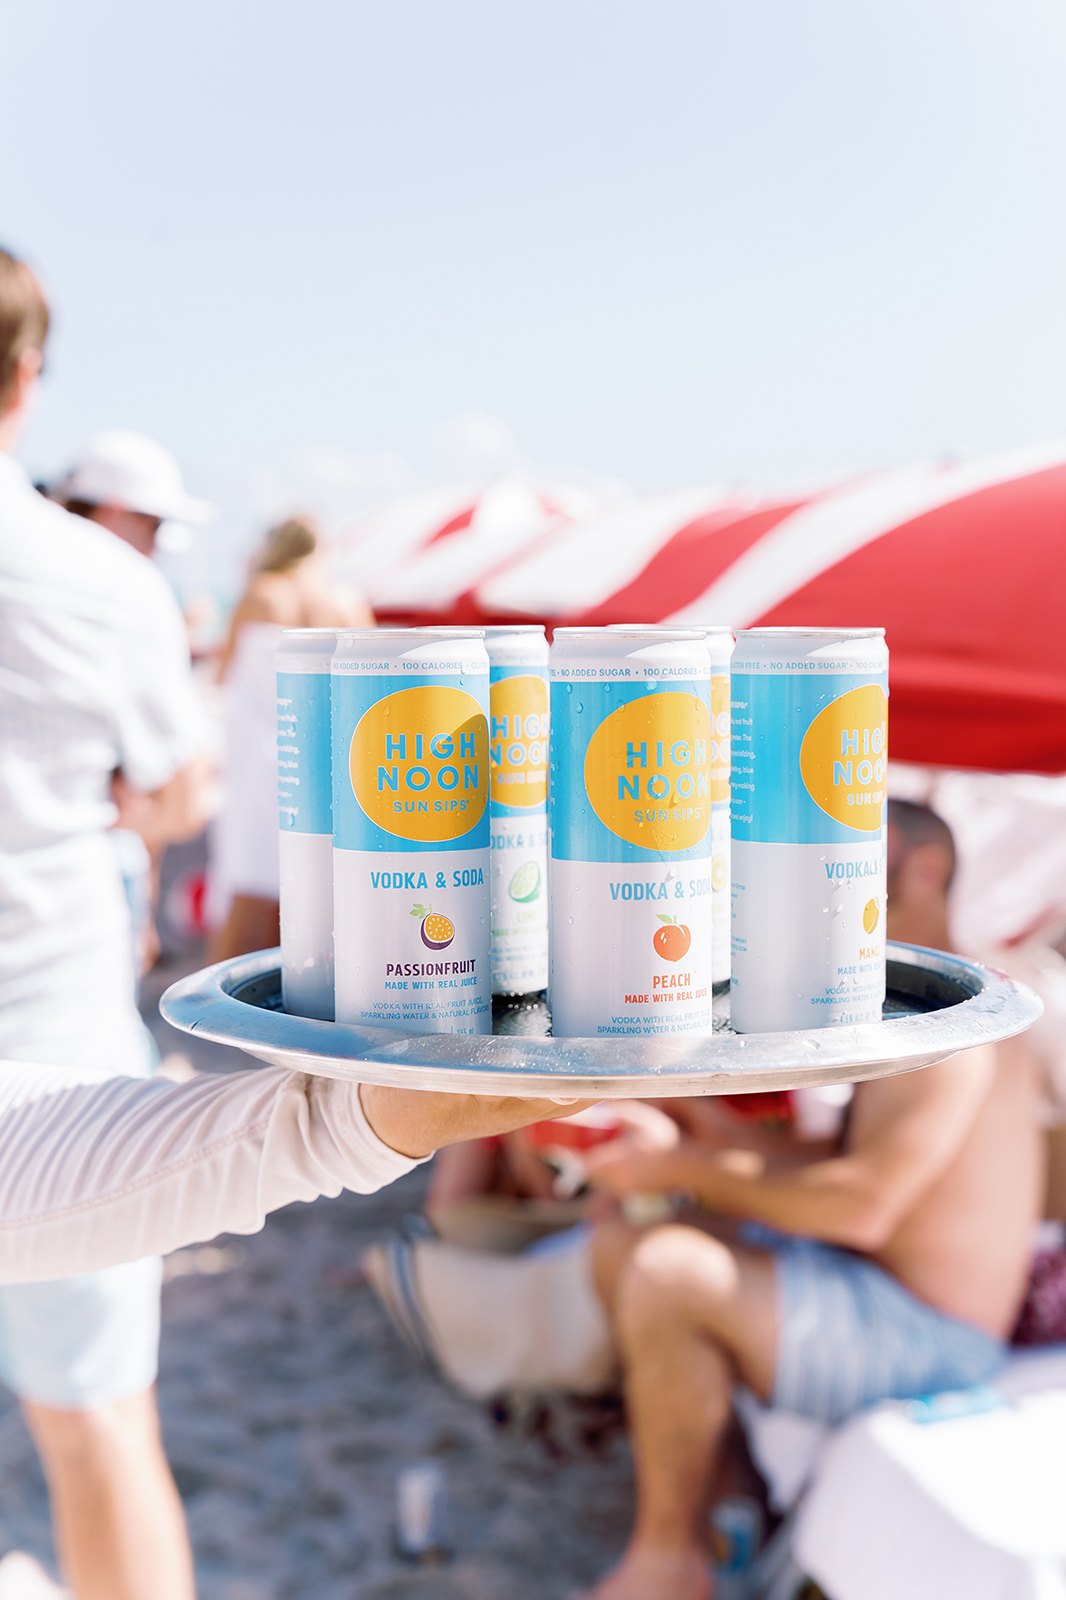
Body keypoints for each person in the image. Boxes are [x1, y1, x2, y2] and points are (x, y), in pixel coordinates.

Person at [579, 799, 1045, 1600]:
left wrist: (684, 1162)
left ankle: (667, 1567)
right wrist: (709, 1127)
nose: (830, 880)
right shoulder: (932, 1000)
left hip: (932, 1339)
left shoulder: (962, 1022)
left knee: (669, 1269)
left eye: (857, 860)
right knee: (626, 1233)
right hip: (880, 1288)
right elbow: (843, 1163)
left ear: (925, 869)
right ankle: (728, 1499)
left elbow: (861, 1205)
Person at [0, 249, 215, 1600]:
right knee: (95, 1420)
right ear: (24, 374)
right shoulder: (97, 576)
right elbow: (179, 791)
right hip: (51, 1026)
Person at [207, 514, 371, 962]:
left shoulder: (261, 593)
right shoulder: (346, 600)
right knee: (317, 874)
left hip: (262, 753)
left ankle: (222, 985)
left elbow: (222, 675)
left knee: (249, 873)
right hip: (325, 752)